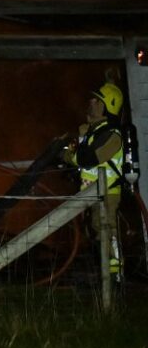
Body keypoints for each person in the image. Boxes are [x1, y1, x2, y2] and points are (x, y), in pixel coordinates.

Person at [61, 82, 127, 282]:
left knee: (108, 232)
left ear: (108, 106)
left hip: (107, 193)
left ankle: (115, 276)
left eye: (96, 100)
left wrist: (67, 155)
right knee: (98, 233)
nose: (91, 102)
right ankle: (105, 273)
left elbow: (87, 158)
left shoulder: (112, 135)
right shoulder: (93, 132)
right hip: (92, 193)